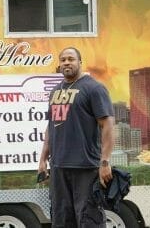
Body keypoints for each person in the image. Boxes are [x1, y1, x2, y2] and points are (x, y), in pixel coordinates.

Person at [38, 47, 115, 228]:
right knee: (62, 220)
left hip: (86, 167)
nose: (66, 62)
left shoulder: (93, 88)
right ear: (59, 64)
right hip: (59, 167)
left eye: (71, 59)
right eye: (63, 59)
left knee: (89, 219)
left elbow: (108, 124)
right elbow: (51, 127)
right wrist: (43, 159)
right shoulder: (55, 91)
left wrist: (104, 162)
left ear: (80, 62)